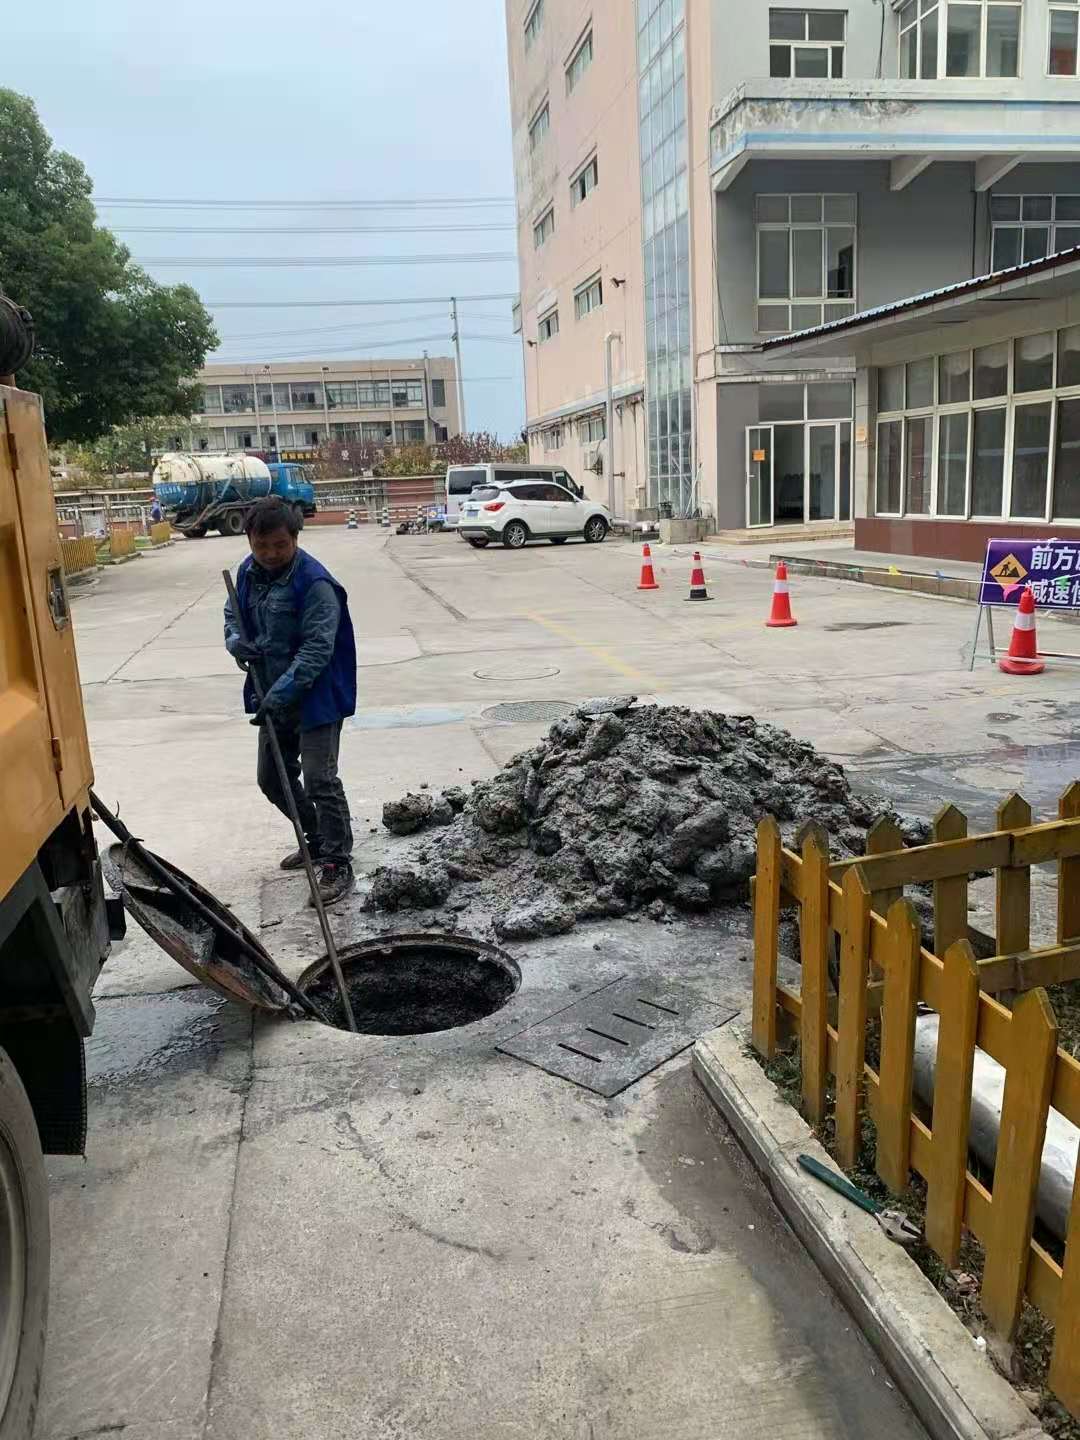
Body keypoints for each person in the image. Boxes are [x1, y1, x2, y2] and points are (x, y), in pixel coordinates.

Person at [224, 497, 357, 904]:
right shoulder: (248, 572)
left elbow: (318, 649)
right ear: (249, 540)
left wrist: (281, 694)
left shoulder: (315, 583)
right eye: (261, 547)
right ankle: (316, 838)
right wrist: (235, 642)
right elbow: (232, 615)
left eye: (279, 546)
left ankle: (337, 860)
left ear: (295, 538)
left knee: (320, 777)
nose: (270, 555)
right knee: (272, 778)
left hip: (315, 694)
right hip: (270, 690)